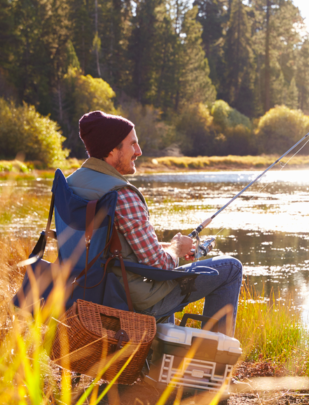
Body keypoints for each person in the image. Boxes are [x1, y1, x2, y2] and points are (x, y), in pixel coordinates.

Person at [66, 110, 242, 336]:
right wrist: (177, 250)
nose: (139, 151)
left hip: (86, 293)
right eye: (133, 144)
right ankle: (215, 360)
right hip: (131, 301)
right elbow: (159, 266)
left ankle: (155, 363)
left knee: (167, 276)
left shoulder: (72, 186)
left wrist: (169, 247)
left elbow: (112, 248)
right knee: (231, 268)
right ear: (111, 149)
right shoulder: (122, 194)